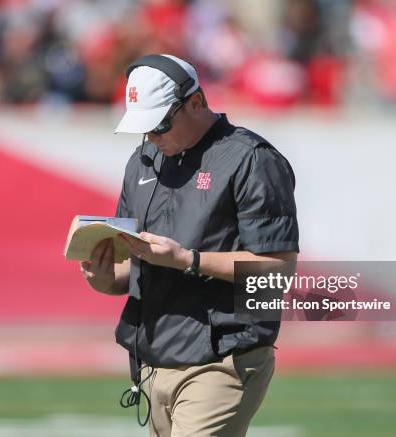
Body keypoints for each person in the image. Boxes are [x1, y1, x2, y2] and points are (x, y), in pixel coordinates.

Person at [80, 54, 299, 437]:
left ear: (196, 102)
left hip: (221, 357)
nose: (152, 137)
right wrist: (102, 278)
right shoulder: (144, 160)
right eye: (144, 128)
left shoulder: (250, 159)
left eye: (160, 124)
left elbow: (278, 271)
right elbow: (133, 268)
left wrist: (188, 259)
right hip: (153, 360)